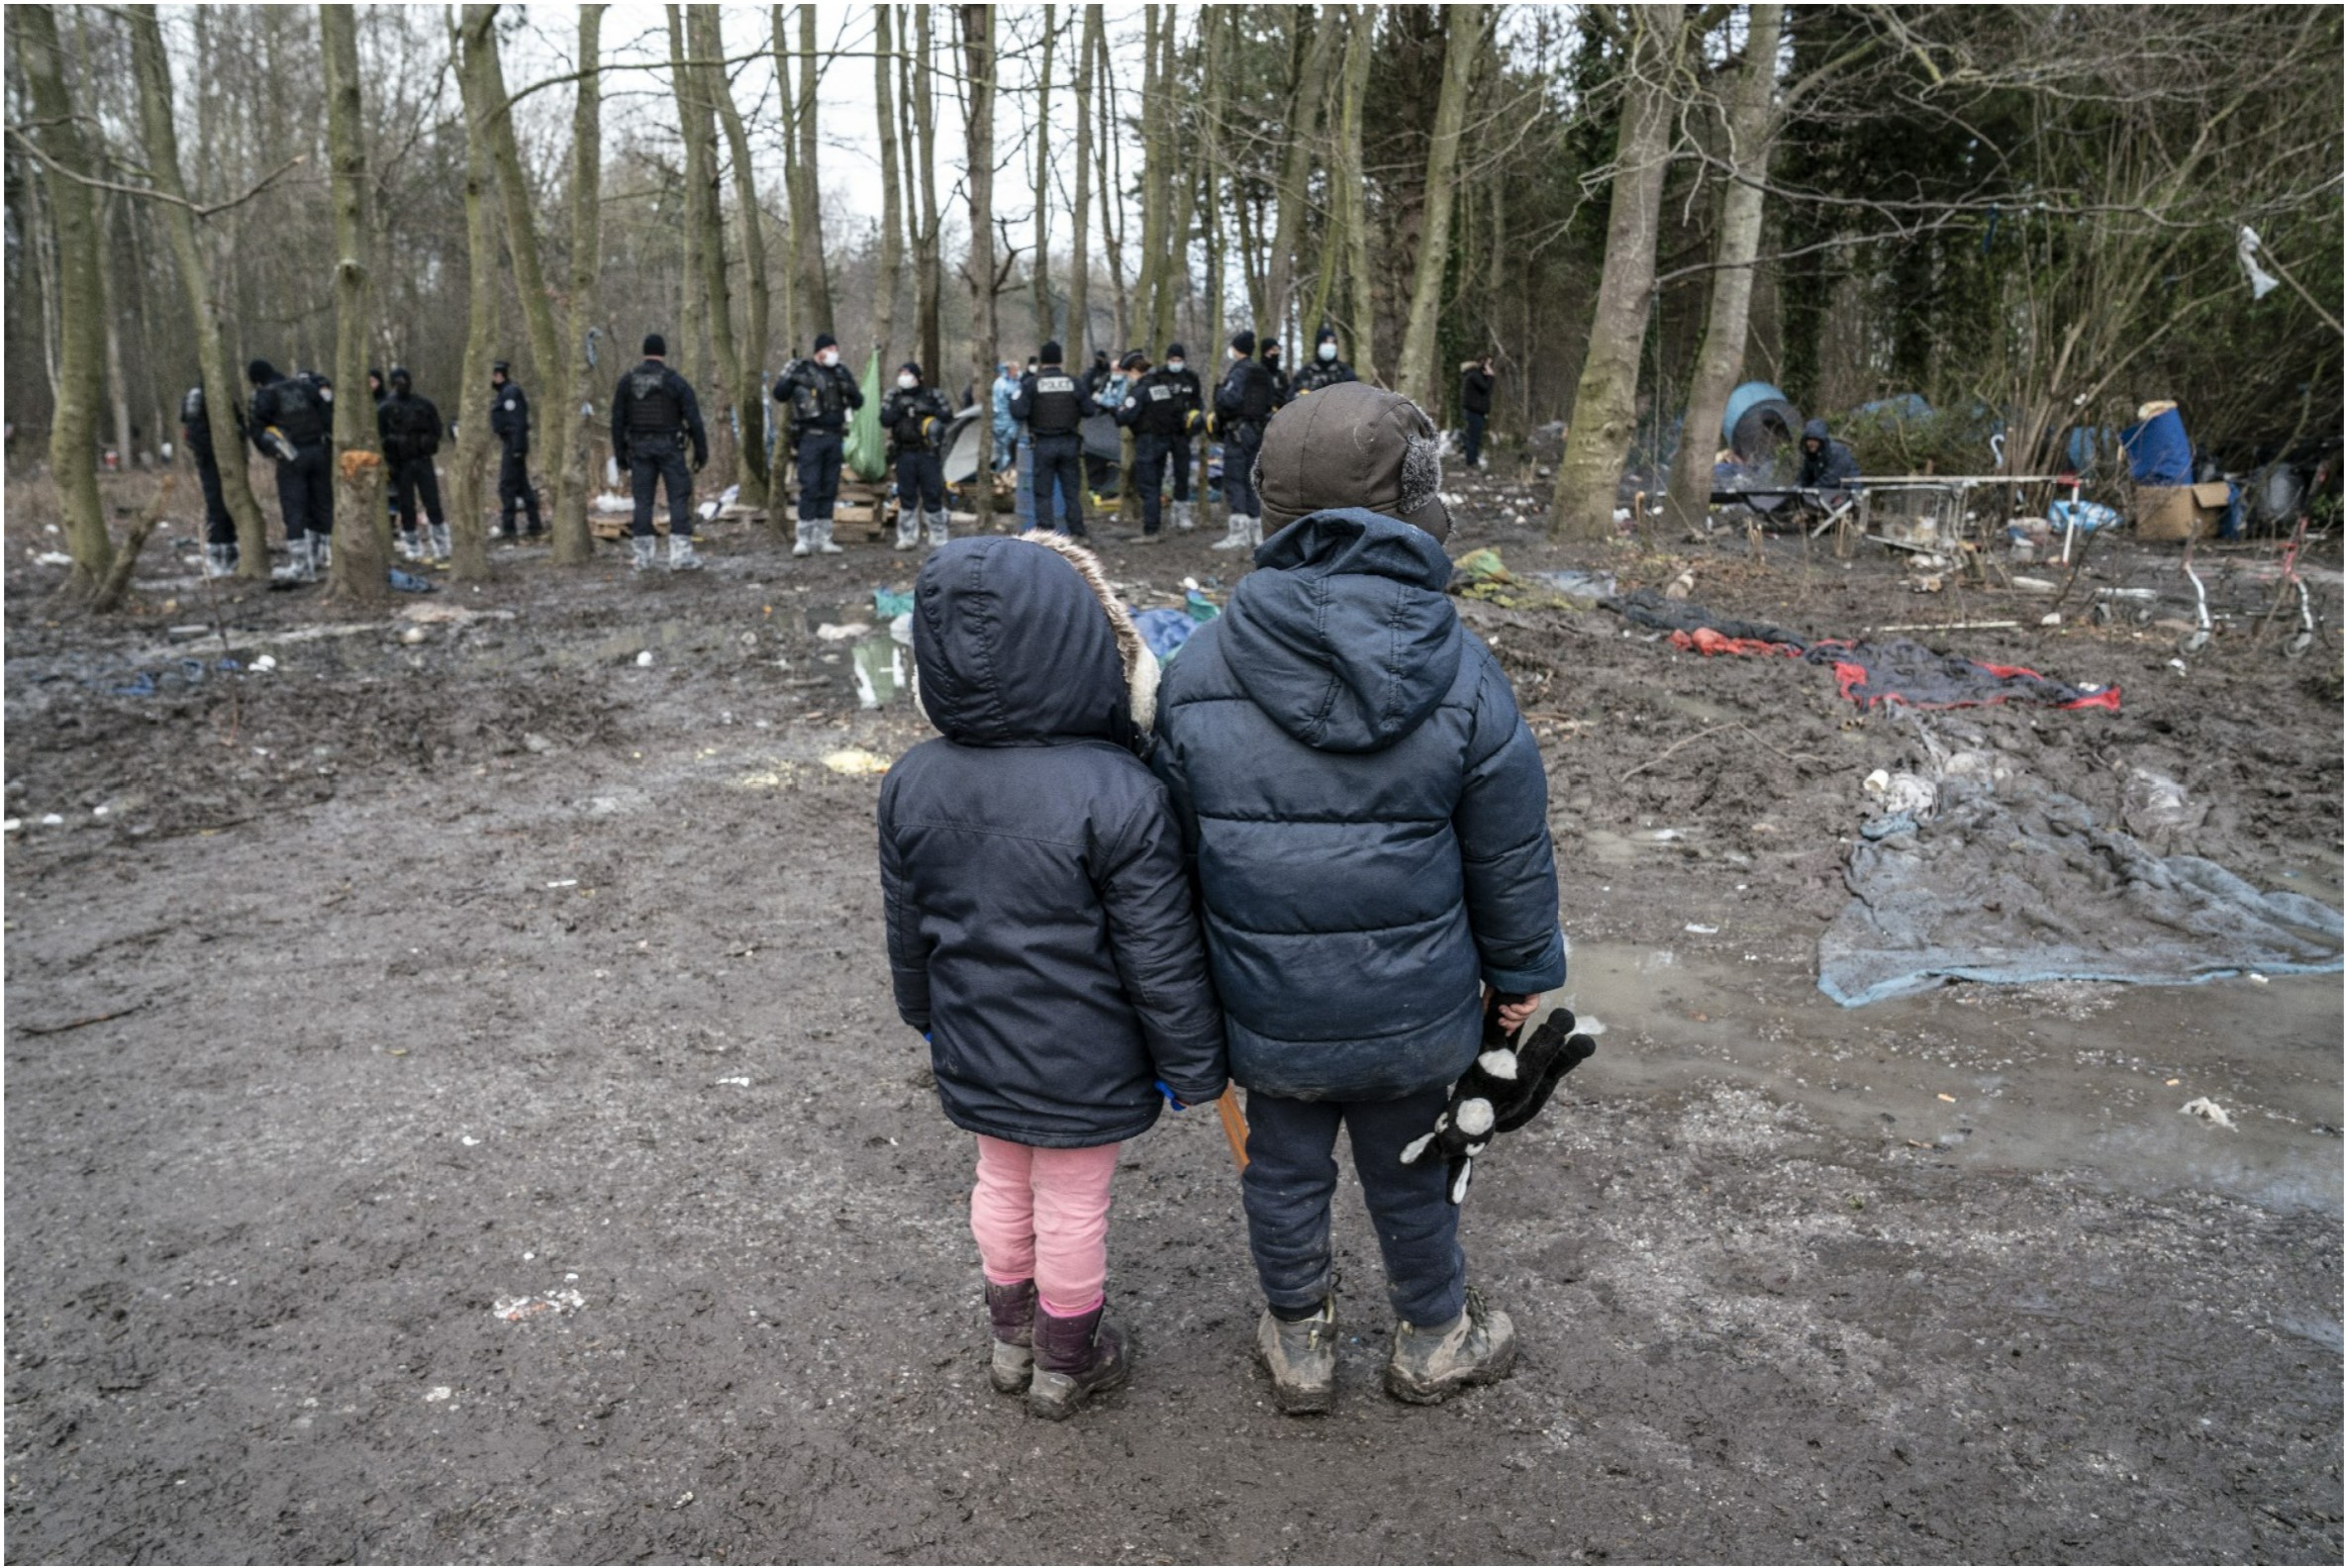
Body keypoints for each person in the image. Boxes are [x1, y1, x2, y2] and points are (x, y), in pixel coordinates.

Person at [1151, 381, 1568, 1415]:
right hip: (1411, 1012)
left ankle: (1297, 1341)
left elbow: (1170, 852)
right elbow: (1507, 845)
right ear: (1411, 506)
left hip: (1266, 1011)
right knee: (1412, 1172)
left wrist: (1188, 1003)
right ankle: (1434, 1333)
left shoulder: (1199, 669)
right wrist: (1521, 980)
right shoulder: (1464, 672)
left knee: (1282, 1178)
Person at [881, 531, 1227, 1421]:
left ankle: (1009, 1340)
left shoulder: (912, 780)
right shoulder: (1119, 792)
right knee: (1072, 1200)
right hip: (1087, 1054)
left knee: (999, 1179)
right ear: (1083, 646)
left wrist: (923, 1016)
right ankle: (1069, 1356)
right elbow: (1159, 953)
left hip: (974, 1037)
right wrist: (1194, 1065)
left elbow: (906, 922)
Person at [610, 332, 709, 571]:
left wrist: (620, 453)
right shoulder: (674, 381)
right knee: (677, 498)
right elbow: (694, 419)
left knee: (642, 501)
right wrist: (700, 451)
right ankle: (681, 555)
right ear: (663, 353)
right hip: (670, 448)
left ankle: (643, 558)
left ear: (644, 352)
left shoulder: (627, 381)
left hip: (640, 448)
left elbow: (617, 420)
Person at [775, 332, 863, 556]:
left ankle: (824, 538)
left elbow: (858, 401)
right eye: (829, 349)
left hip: (834, 436)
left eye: (835, 349)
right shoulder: (801, 369)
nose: (834, 353)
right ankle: (803, 538)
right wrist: (791, 376)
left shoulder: (841, 372)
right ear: (819, 352)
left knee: (829, 486)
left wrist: (849, 388)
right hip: (810, 436)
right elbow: (780, 394)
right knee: (810, 486)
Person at [245, 358, 334, 581]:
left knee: (294, 509)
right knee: (322, 504)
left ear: (257, 380)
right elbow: (327, 415)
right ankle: (325, 557)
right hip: (320, 451)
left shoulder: (265, 395)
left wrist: (271, 450)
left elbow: (258, 430)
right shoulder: (305, 386)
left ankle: (301, 566)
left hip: (291, 456)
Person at [1010, 341, 1097, 539]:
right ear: (1060, 360)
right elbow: (1090, 410)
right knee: (1071, 492)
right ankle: (1078, 534)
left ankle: (1047, 536)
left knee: (1043, 493)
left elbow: (1018, 411)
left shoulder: (1032, 384)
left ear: (1042, 361)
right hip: (1069, 443)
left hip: (1043, 443)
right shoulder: (1074, 383)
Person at [1117, 345, 1203, 540]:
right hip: (1164, 441)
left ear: (1133, 370)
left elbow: (1124, 416)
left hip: (1147, 442)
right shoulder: (1162, 388)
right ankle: (1154, 527)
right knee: (1155, 484)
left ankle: (1151, 530)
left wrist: (1116, 409)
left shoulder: (1139, 390)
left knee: (1148, 486)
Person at [1210, 330, 1276, 551]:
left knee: (1235, 479)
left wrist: (1218, 395)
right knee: (1254, 480)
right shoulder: (1262, 372)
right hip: (1258, 431)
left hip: (1238, 433)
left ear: (1236, 349)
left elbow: (1230, 399)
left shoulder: (1239, 372)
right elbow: (1271, 400)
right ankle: (1257, 531)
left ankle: (1238, 532)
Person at [375, 367, 449, 564]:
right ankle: (412, 546)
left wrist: (428, 441)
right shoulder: (385, 409)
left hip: (423, 460)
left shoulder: (423, 405)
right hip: (400, 464)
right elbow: (379, 437)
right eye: (397, 381)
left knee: (432, 502)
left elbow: (437, 429)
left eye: (404, 380)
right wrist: (393, 447)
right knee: (406, 506)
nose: (402, 384)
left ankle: (441, 545)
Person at [880, 361, 954, 552]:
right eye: (901, 372)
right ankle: (907, 536)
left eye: (908, 373)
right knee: (906, 495)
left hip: (928, 452)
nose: (904, 376)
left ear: (918, 377)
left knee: (932, 493)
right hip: (904, 452)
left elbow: (947, 415)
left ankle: (938, 536)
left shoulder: (932, 395)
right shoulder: (893, 396)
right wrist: (900, 409)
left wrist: (925, 409)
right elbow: (884, 419)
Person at [181, 384, 241, 577]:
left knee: (219, 504)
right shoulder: (210, 396)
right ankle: (221, 553)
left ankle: (223, 553)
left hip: (215, 459)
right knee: (218, 504)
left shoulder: (201, 397)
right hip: (216, 457)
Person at [489, 360, 542, 539]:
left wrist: (518, 447)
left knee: (507, 486)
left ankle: (509, 527)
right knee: (522, 485)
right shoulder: (504, 393)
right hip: (512, 442)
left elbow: (517, 421)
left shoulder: (510, 393)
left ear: (498, 375)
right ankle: (534, 524)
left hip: (513, 443)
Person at [1796, 418, 1862, 506]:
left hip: (1845, 491)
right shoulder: (1811, 455)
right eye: (1808, 440)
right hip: (1824, 490)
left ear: (1821, 440)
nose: (1811, 443)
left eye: (1814, 440)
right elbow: (1804, 476)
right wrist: (1796, 488)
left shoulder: (1837, 451)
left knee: (1810, 501)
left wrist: (1811, 490)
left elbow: (1832, 478)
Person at [1294, 325, 1356, 396]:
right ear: (1318, 345)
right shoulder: (1305, 373)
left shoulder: (1345, 372)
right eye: (1325, 342)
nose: (1329, 346)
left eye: (1332, 343)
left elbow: (1356, 397)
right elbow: (1291, 398)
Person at [1459, 355, 1495, 468]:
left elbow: (1486, 390)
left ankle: (1472, 459)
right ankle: (1471, 461)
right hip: (1474, 411)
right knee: (1473, 437)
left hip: (1476, 411)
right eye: (1488, 364)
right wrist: (1491, 376)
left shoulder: (1474, 375)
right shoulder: (1474, 375)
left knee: (1475, 437)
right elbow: (1485, 388)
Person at [989, 360, 1022, 471]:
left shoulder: (1001, 382)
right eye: (1016, 370)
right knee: (1005, 451)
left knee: (1002, 450)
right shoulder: (1006, 384)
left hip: (1002, 421)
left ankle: (1001, 473)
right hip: (1006, 422)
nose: (1017, 372)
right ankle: (1003, 473)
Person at [1261, 338, 1293, 411]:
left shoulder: (1280, 375)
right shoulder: (1258, 373)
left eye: (1278, 350)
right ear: (1266, 352)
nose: (1277, 353)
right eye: (1274, 350)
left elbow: (1287, 394)